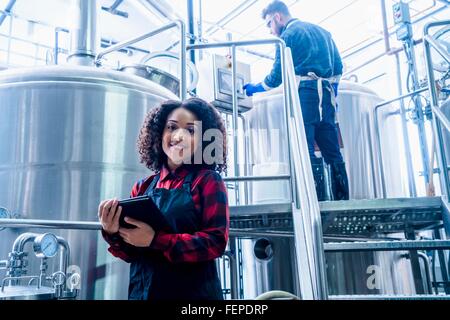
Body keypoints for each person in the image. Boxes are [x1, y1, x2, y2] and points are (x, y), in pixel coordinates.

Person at [98, 98, 229, 300]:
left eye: (191, 131)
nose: (179, 136)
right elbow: (131, 253)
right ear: (159, 133)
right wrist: (112, 231)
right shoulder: (143, 186)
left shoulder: (208, 181)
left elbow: (216, 242)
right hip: (143, 293)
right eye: (172, 127)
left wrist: (155, 240)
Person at [243, 1, 349, 201]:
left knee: (305, 147)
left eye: (269, 24)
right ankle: (342, 200)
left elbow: (276, 77)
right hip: (326, 96)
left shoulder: (288, 36)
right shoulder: (324, 32)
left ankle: (316, 202)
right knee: (332, 151)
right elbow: (338, 67)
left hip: (305, 94)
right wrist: (332, 94)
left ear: (277, 17)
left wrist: (254, 88)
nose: (270, 31)